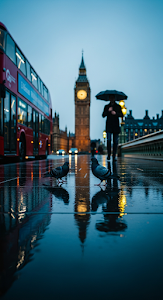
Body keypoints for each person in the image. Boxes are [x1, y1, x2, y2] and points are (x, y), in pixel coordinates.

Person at [102, 95, 123, 161]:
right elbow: (103, 115)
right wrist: (108, 111)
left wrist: (115, 113)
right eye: (110, 98)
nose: (112, 99)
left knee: (115, 141)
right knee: (108, 141)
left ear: (114, 99)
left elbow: (121, 114)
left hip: (116, 126)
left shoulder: (118, 106)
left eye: (113, 98)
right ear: (109, 99)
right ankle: (108, 155)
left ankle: (114, 156)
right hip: (109, 127)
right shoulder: (107, 106)